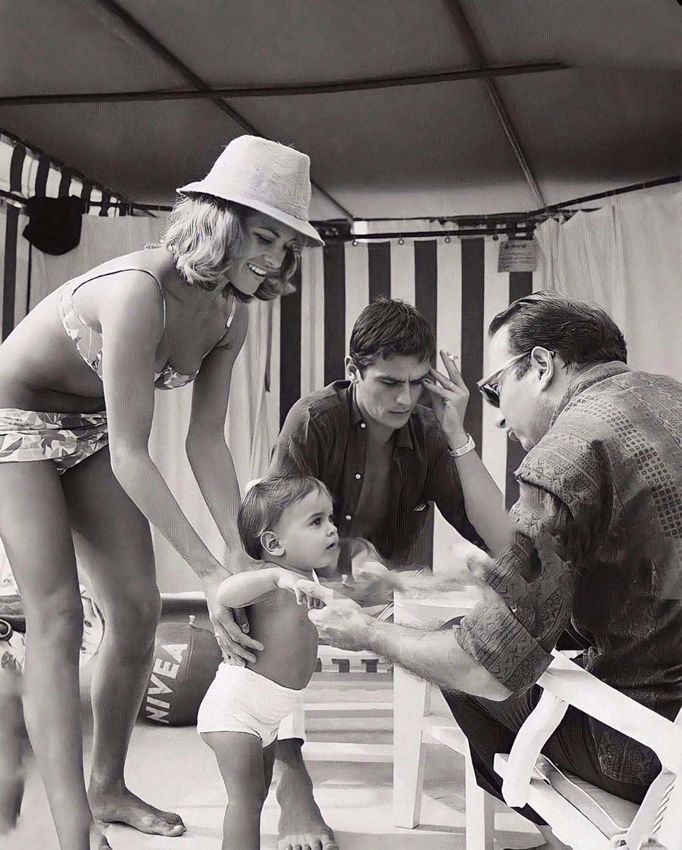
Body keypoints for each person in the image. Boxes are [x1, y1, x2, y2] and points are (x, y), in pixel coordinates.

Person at [0, 135, 323, 850]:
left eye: (286, 245)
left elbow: (205, 442)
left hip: (87, 430)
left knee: (138, 610)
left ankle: (107, 788)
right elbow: (132, 453)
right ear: (221, 220)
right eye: (263, 236)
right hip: (12, 421)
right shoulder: (140, 290)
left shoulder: (232, 315)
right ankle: (72, 832)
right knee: (55, 617)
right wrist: (207, 575)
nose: (273, 258)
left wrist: (238, 558)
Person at [307, 292, 682, 850]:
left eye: (495, 388)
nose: (500, 413)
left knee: (458, 669)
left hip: (647, 751)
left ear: (540, 365)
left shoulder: (567, 451)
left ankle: (562, 837)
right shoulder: (669, 399)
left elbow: (485, 667)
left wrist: (365, 632)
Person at [260, 297, 509, 849]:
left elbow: (497, 537)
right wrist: (346, 559)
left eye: (419, 382)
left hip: (390, 591)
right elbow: (273, 535)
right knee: (276, 606)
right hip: (311, 585)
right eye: (389, 382)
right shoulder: (314, 418)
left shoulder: (425, 429)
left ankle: (511, 766)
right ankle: (290, 777)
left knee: (491, 610)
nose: (405, 397)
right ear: (353, 371)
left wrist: (457, 432)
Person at [197, 475, 351, 850]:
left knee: (258, 797)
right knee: (245, 802)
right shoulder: (267, 582)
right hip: (235, 714)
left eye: (331, 519)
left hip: (266, 719)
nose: (331, 529)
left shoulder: (306, 581)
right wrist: (276, 576)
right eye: (316, 522)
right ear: (273, 544)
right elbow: (227, 593)